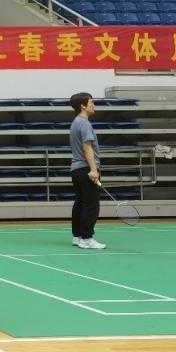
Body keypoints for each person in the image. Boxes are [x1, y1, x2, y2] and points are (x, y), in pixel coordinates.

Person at [69, 92, 105, 250]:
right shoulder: (84, 123)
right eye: (91, 102)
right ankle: (87, 238)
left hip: (76, 170)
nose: (94, 105)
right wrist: (93, 170)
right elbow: (87, 148)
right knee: (91, 205)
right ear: (83, 105)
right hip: (86, 169)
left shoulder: (75, 122)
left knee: (80, 203)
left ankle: (77, 236)